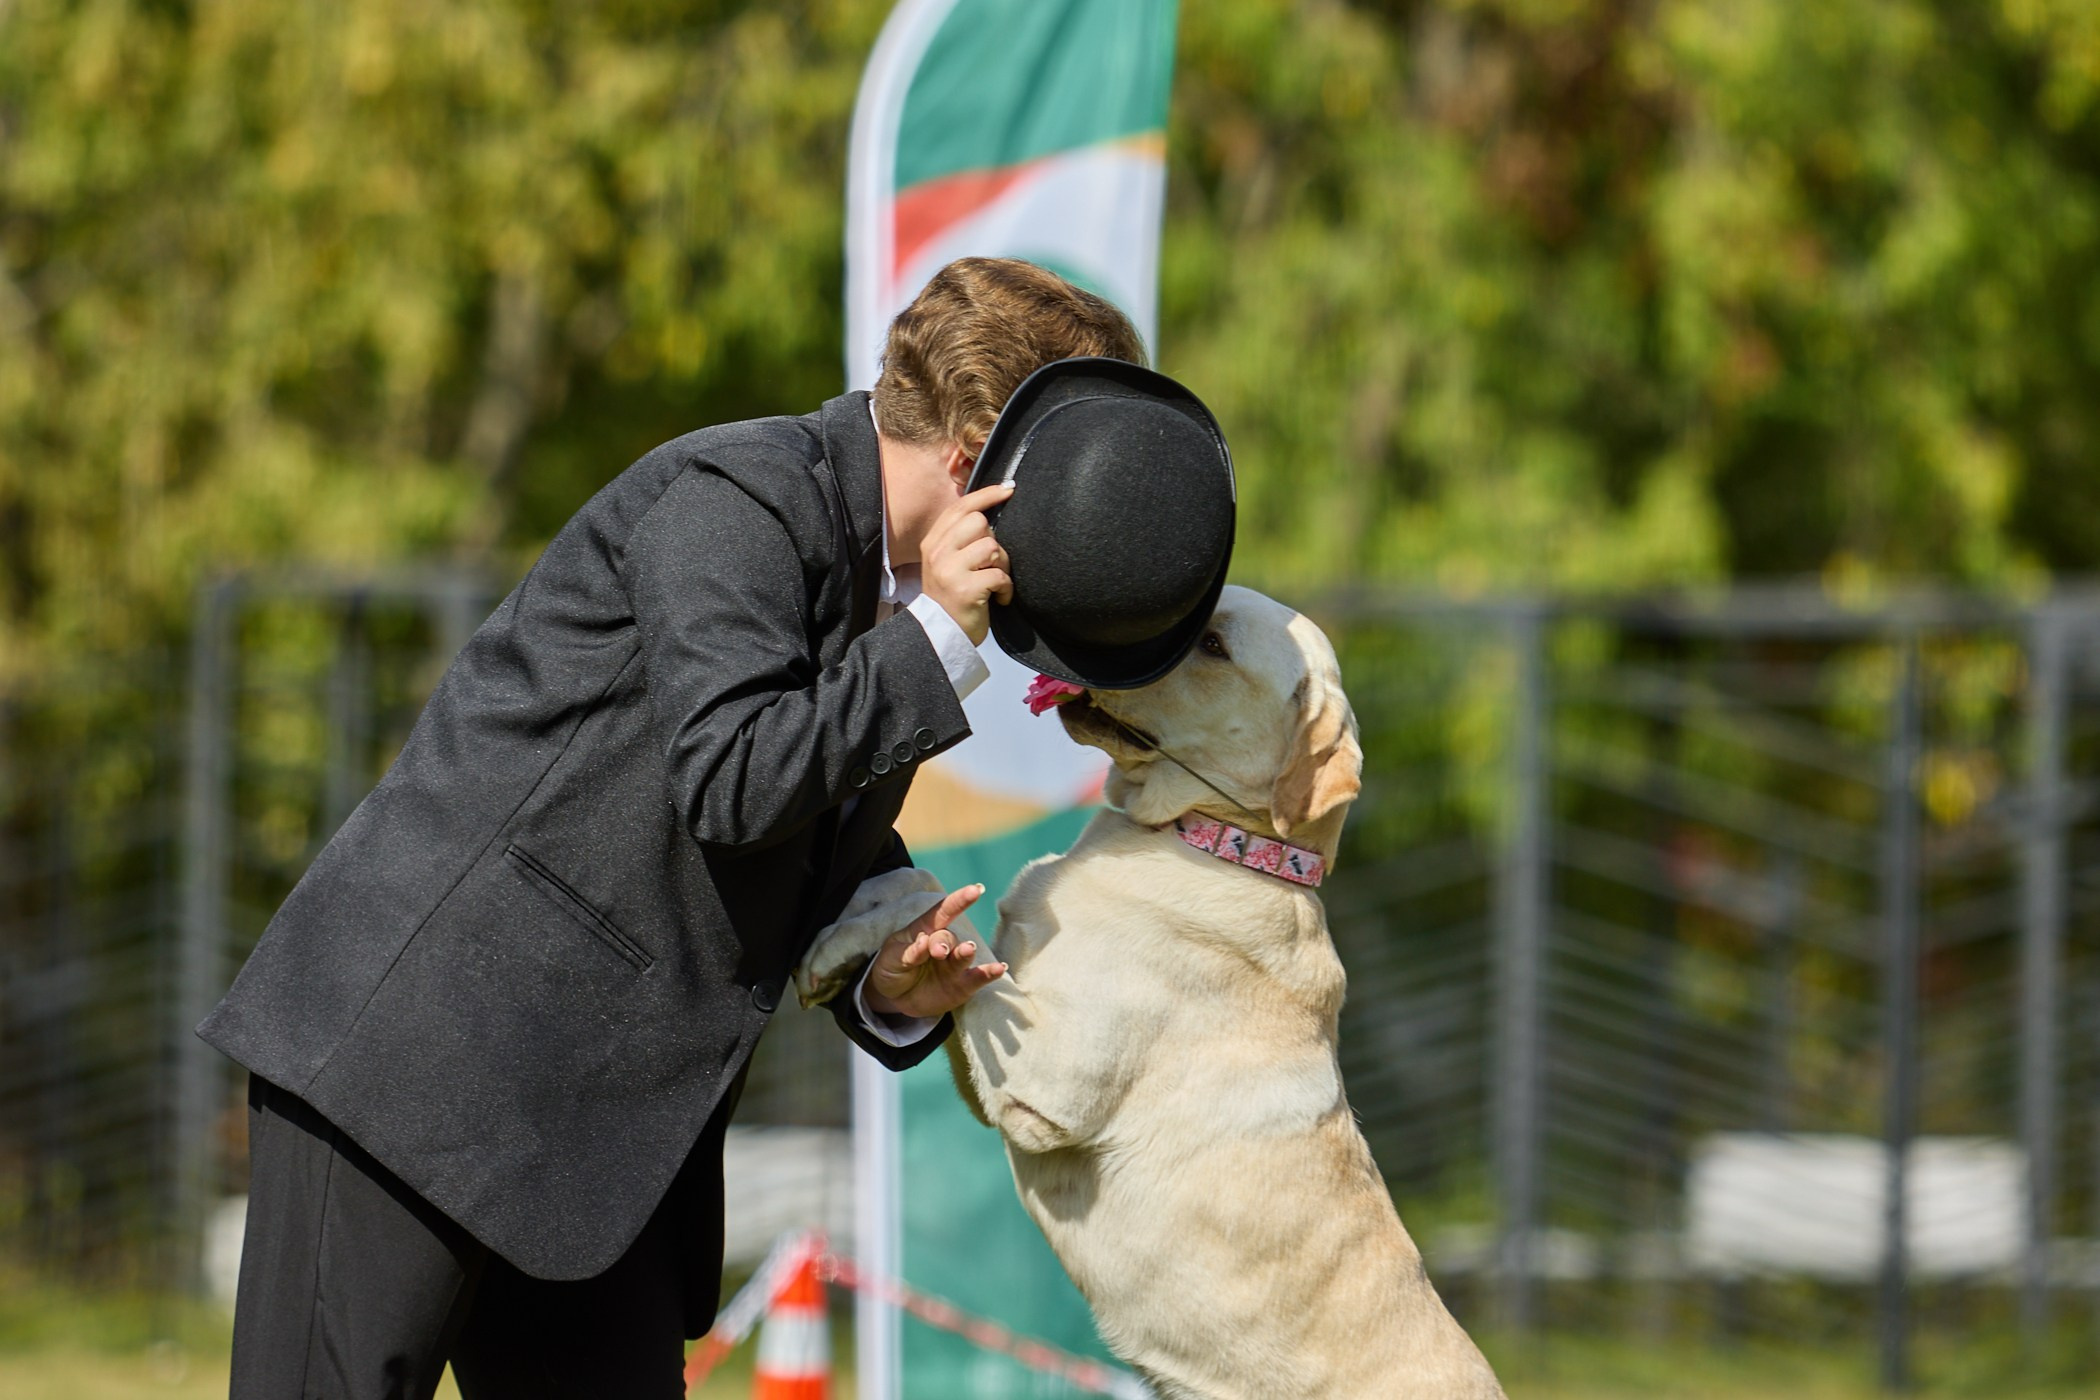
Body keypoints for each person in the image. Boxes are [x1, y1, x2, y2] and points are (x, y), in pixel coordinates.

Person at [198, 256, 1150, 1399]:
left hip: (597, 1145)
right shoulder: (740, 494)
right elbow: (736, 775)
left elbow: (782, 827)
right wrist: (940, 635)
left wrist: (880, 970)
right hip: (414, 1066)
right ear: (977, 462)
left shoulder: (880, 577)